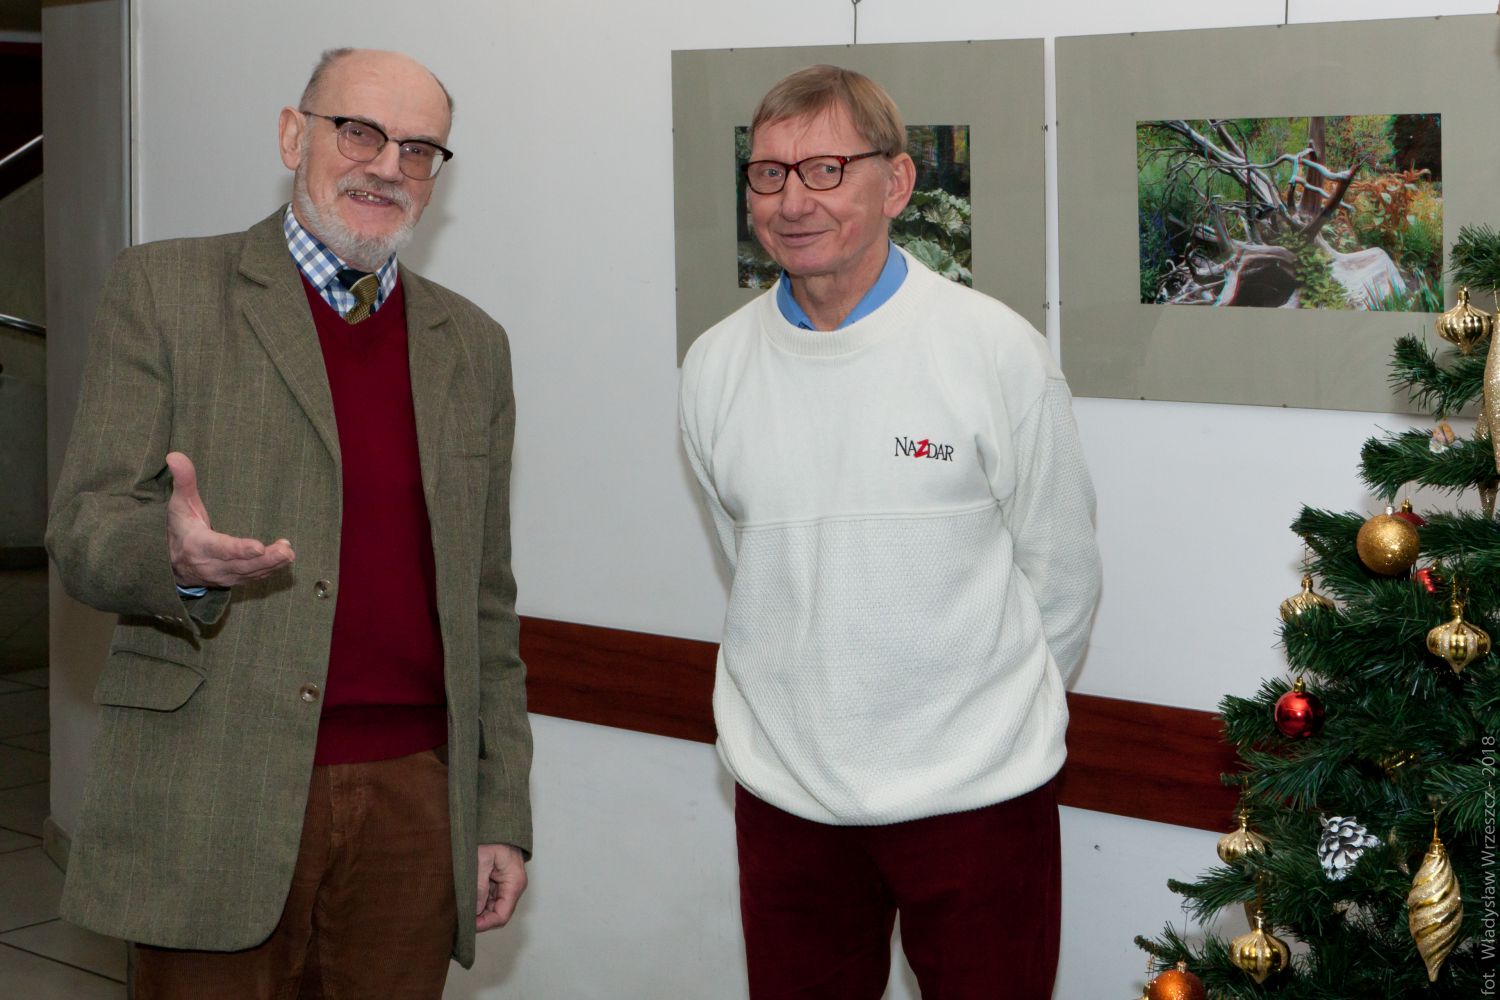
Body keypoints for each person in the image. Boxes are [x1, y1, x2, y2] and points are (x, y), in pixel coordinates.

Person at [46, 48, 531, 999]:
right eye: (359, 132)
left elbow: (487, 598)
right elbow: (84, 526)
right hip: (213, 784)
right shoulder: (165, 290)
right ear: (291, 136)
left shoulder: (473, 346)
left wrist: (500, 808)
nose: (387, 166)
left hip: (414, 801)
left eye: (419, 149)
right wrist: (173, 559)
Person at [678, 65, 1102, 998]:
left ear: (898, 183)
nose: (793, 200)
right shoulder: (713, 367)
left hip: (978, 800)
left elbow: (1063, 578)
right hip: (786, 800)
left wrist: (985, 727)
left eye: (826, 169)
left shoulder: (994, 350)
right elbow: (758, 564)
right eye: (769, 173)